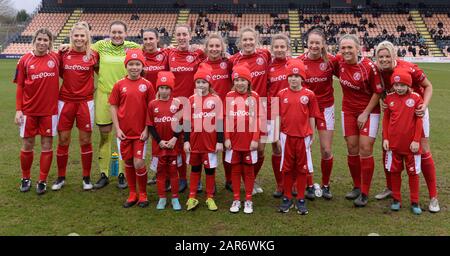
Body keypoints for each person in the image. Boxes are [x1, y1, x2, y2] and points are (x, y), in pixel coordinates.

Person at [374, 40, 440, 212]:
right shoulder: (378, 71)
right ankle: (391, 188)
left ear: (394, 56)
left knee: (423, 150)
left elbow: (429, 86)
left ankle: (433, 197)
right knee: (387, 148)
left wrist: (423, 106)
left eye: (388, 56)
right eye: (381, 57)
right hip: (395, 115)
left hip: (416, 111)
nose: (384, 59)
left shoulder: (409, 68)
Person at [87, 21, 141, 190]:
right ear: (109, 32)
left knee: (124, 135)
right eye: (114, 32)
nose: (117, 35)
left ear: (126, 33)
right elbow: (82, 48)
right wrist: (67, 44)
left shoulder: (134, 47)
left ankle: (122, 174)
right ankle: (104, 173)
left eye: (120, 32)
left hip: (126, 96)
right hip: (104, 95)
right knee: (105, 134)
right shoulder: (100, 45)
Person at [337, 34, 383, 207]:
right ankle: (356, 186)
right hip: (348, 111)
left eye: (350, 47)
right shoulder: (339, 63)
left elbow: (378, 92)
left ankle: (364, 192)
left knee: (365, 148)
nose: (347, 51)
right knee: (352, 148)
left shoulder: (368, 67)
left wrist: (364, 113)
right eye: (343, 48)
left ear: (358, 48)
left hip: (368, 112)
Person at [52, 22, 98, 191]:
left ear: (87, 38)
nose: (79, 39)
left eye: (82, 36)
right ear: (71, 37)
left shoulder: (94, 55)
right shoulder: (63, 53)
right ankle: (61, 177)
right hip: (65, 102)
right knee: (63, 140)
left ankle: (86, 178)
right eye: (76, 36)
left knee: (85, 140)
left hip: (86, 103)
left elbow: (101, 73)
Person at [14, 28, 60, 194]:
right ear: (34, 40)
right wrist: (19, 110)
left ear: (50, 43)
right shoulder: (24, 60)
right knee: (27, 144)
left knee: (47, 145)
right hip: (28, 111)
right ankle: (25, 178)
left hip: (49, 111)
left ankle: (42, 180)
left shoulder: (55, 58)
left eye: (45, 40)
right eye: (39, 39)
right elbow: (20, 86)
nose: (42, 43)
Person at [109, 49, 155, 208]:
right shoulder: (119, 85)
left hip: (140, 132)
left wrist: (146, 129)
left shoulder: (147, 85)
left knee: (138, 162)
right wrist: (117, 128)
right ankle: (132, 193)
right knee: (127, 161)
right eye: (131, 64)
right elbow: (113, 106)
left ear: (142, 66)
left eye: (137, 64)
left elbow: (151, 109)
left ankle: (142, 193)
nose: (134, 67)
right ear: (126, 65)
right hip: (123, 132)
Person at [276, 59, 322, 215]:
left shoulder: (309, 94)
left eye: (297, 76)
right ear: (287, 77)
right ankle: (287, 197)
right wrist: (277, 134)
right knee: (287, 167)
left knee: (302, 168)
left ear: (302, 78)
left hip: (303, 136)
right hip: (286, 136)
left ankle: (301, 198)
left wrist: (312, 132)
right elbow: (279, 116)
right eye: (290, 76)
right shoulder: (281, 94)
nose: (293, 79)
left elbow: (312, 115)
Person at [229, 26, 271, 195]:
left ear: (256, 41)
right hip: (240, 108)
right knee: (239, 147)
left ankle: (251, 179)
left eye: (251, 39)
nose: (248, 42)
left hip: (262, 106)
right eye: (244, 40)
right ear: (240, 42)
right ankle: (236, 180)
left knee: (260, 148)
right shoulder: (233, 60)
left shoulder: (265, 55)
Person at [298, 29, 339, 200]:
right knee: (304, 148)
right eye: (311, 42)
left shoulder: (331, 61)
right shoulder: (299, 61)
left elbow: (347, 75)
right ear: (307, 43)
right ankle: (307, 184)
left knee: (326, 150)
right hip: (305, 110)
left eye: (318, 43)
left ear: (323, 44)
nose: (314, 46)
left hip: (325, 109)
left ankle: (326, 185)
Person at [168, 24, 206, 193]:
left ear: (190, 36)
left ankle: (196, 179)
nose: (182, 37)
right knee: (179, 143)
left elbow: (215, 57)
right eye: (179, 35)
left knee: (196, 143)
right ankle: (182, 178)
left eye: (185, 34)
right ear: (175, 37)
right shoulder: (169, 54)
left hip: (194, 105)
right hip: (176, 106)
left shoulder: (198, 54)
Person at [383, 69, 423, 215]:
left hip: (411, 146)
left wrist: (416, 140)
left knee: (413, 173)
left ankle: (414, 201)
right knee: (394, 171)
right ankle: (396, 199)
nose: (399, 88)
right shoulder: (389, 98)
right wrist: (386, 138)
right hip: (394, 144)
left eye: (402, 85)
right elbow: (386, 119)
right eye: (396, 84)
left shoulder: (416, 98)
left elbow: (419, 120)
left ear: (408, 85)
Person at [184, 63, 224, 211]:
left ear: (209, 83)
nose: (201, 85)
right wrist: (186, 140)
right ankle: (192, 197)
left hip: (210, 142)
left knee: (209, 169)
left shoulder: (216, 99)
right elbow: (187, 122)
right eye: (198, 82)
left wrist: (220, 141)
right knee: (195, 168)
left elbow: (220, 122)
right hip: (194, 142)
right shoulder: (191, 99)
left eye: (204, 82)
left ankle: (209, 197)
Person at [225, 63, 260, 214]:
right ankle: (236, 198)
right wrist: (226, 137)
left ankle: (249, 200)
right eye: (237, 80)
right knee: (235, 169)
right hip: (233, 140)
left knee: (249, 170)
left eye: (243, 80)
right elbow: (226, 118)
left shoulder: (255, 97)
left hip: (249, 140)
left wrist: (255, 139)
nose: (240, 83)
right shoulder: (229, 96)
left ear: (249, 82)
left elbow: (258, 119)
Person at [147, 71, 183, 211]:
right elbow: (150, 125)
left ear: (171, 89)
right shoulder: (152, 104)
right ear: (158, 89)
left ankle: (175, 198)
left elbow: (181, 123)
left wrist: (174, 138)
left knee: (174, 172)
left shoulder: (177, 104)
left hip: (173, 145)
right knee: (161, 173)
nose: (164, 91)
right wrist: (159, 141)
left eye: (167, 88)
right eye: (161, 87)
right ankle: (162, 198)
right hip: (159, 146)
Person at [202, 33, 233, 191]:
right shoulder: (201, 65)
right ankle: (210, 180)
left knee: (227, 146)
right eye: (211, 46)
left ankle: (229, 179)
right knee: (209, 147)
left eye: (217, 46)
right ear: (206, 48)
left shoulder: (228, 63)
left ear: (222, 48)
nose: (214, 49)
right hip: (208, 114)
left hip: (226, 112)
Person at [141, 28, 169, 185]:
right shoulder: (140, 56)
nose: (148, 41)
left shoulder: (165, 54)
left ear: (157, 39)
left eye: (151, 38)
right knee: (151, 139)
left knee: (162, 138)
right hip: (143, 103)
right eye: (145, 39)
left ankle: (166, 173)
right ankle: (158, 172)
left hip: (161, 103)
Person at [267, 34, 291, 198]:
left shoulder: (293, 64)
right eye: (276, 47)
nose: (279, 49)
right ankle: (280, 183)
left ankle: (293, 182)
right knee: (276, 147)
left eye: (282, 47)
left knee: (291, 147)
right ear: (272, 48)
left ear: (287, 48)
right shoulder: (268, 66)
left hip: (290, 108)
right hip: (273, 108)